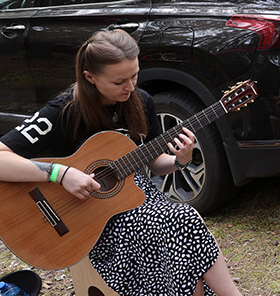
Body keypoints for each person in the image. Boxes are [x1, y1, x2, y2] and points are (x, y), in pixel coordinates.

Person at [0, 30, 242, 296]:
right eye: (119, 81)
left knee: (182, 225)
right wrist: (61, 173)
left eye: (134, 76)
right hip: (93, 222)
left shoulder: (141, 101)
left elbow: (154, 162)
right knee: (184, 219)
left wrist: (179, 161)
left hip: (140, 201)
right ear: (89, 77)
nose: (130, 87)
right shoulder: (63, 111)